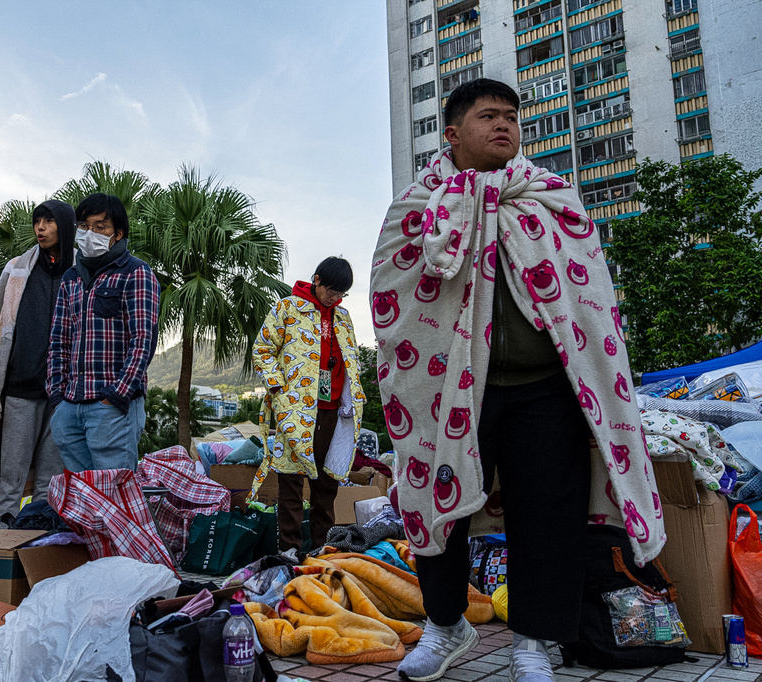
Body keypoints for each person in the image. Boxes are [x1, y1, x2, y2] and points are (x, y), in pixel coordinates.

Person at [369, 79, 665, 682]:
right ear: (452, 133)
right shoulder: (419, 205)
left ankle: (532, 643)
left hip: (544, 388)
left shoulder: (551, 198)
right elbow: (389, 294)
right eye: (488, 116)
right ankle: (446, 625)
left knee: (548, 514)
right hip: (449, 386)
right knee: (438, 507)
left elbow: (590, 298)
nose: (504, 125)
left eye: (511, 116)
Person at [0, 200, 77, 528]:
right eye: (37, 221)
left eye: (48, 222)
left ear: (65, 226)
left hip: (63, 395)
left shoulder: (82, 274)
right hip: (21, 389)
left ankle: (36, 547)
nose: (40, 227)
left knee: (50, 481)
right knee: (9, 478)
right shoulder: (17, 269)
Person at [251, 257, 366, 552]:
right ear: (316, 280)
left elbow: (350, 359)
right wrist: (278, 386)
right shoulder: (286, 308)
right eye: (332, 291)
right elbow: (262, 348)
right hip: (295, 410)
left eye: (342, 294)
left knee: (326, 484)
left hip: (333, 412)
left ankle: (321, 550)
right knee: (291, 480)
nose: (336, 298)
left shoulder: (343, 317)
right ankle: (289, 550)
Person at [46, 193, 159, 472]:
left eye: (100, 227)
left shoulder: (136, 273)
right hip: (70, 407)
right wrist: (58, 398)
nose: (89, 233)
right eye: (84, 226)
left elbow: (143, 341)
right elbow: (59, 341)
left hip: (111, 407)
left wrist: (116, 395)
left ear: (118, 234)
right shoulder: (71, 278)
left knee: (115, 498)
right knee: (84, 500)